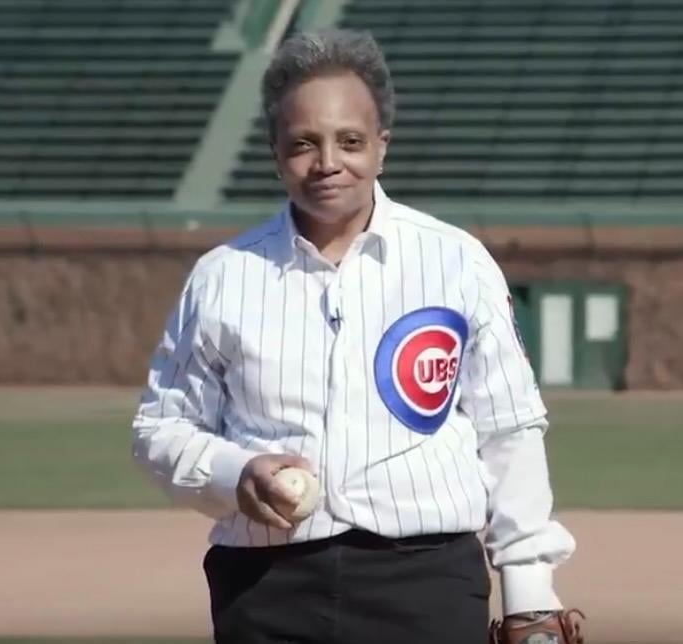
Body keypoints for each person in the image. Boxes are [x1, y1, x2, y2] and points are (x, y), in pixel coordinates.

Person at [131, 27, 581, 644]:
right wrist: (235, 473)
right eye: (303, 144)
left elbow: (509, 430)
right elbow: (161, 430)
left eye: (349, 141)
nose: (327, 164)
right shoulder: (222, 277)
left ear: (382, 146)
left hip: (427, 583)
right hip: (266, 587)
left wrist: (530, 594)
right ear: (274, 151)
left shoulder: (456, 262)